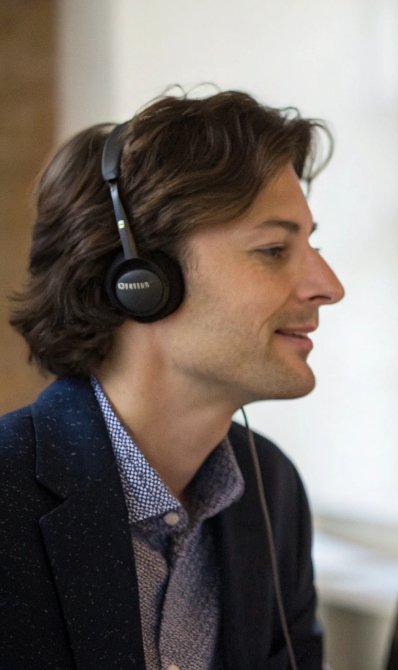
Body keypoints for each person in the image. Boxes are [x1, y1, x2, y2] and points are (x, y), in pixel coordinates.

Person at [0, 91, 344, 669]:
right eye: (272, 249)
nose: (328, 285)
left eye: (311, 245)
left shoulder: (273, 492)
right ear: (142, 280)